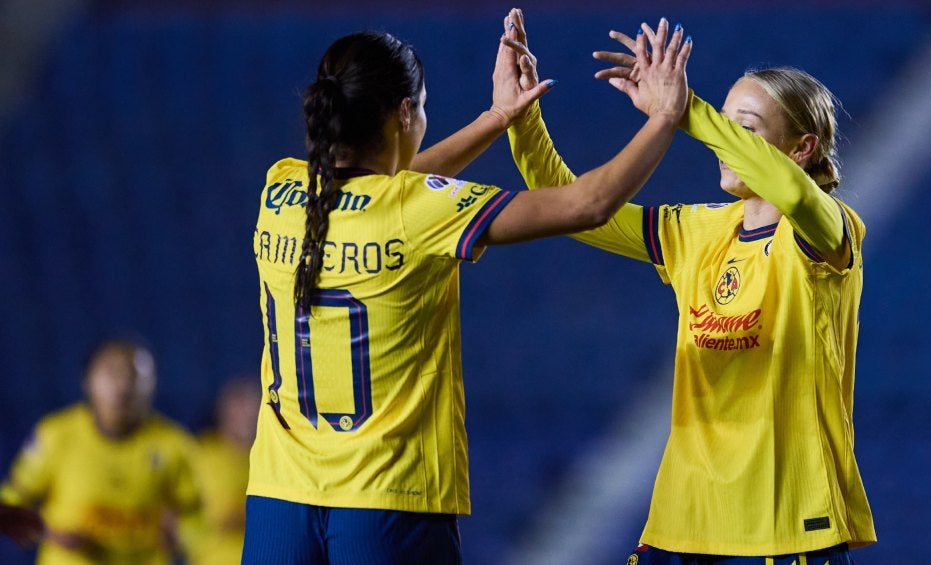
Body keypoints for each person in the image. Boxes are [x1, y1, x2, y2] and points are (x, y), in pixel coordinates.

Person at [245, 8, 692, 564]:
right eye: (424, 108)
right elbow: (589, 204)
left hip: (279, 497)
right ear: (404, 112)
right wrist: (665, 118)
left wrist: (499, 117)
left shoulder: (281, 189)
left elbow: (392, 193)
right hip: (388, 501)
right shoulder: (415, 212)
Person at [506, 16, 876, 565]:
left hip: (783, 528)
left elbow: (796, 198)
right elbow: (570, 205)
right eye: (723, 125)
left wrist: (688, 112)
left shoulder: (828, 230)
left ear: (802, 148)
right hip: (683, 524)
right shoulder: (696, 230)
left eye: (744, 128)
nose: (722, 142)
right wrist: (522, 117)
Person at [0, 339, 202, 565]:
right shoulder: (55, 436)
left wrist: (181, 536)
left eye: (136, 376)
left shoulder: (175, 444)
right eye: (112, 373)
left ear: (153, 384)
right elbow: (11, 502)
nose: (124, 386)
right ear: (87, 381)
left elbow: (200, 521)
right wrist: (48, 532)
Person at [189, 376, 260, 565]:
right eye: (238, 408)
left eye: (250, 408)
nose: (245, 416)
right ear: (223, 412)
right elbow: (223, 516)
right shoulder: (204, 455)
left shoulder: (270, 456)